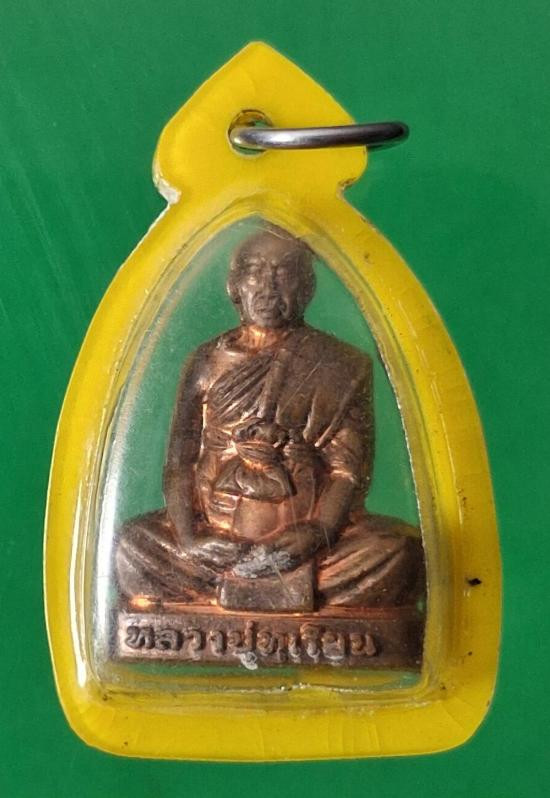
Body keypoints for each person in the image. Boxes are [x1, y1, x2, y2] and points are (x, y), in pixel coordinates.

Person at [116, 224, 424, 611]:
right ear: (234, 286)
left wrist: (320, 530)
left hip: (307, 544)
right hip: (216, 543)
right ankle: (229, 582)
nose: (268, 287)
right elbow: (180, 462)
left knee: (400, 552)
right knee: (130, 546)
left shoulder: (339, 365)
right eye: (255, 271)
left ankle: (280, 584)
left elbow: (347, 471)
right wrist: (190, 538)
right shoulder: (206, 362)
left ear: (307, 288)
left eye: (283, 273)